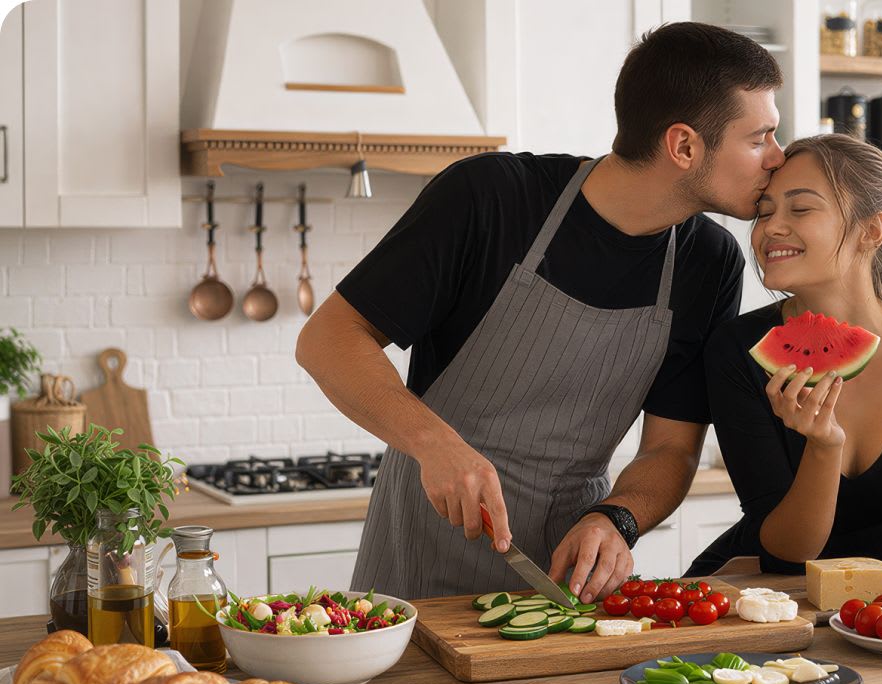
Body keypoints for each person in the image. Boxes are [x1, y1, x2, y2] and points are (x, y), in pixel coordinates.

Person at [296, 22, 784, 603]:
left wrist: (618, 519)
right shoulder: (492, 198)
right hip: (424, 557)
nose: (777, 158)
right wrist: (434, 444)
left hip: (566, 579)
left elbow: (669, 450)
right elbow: (327, 338)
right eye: (760, 139)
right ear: (683, 146)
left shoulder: (710, 260)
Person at [685, 134, 882, 577]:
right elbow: (786, 551)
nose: (771, 227)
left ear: (872, 230)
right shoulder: (737, 350)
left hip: (869, 612)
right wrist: (823, 447)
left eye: (801, 208)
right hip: (747, 596)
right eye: (765, 211)